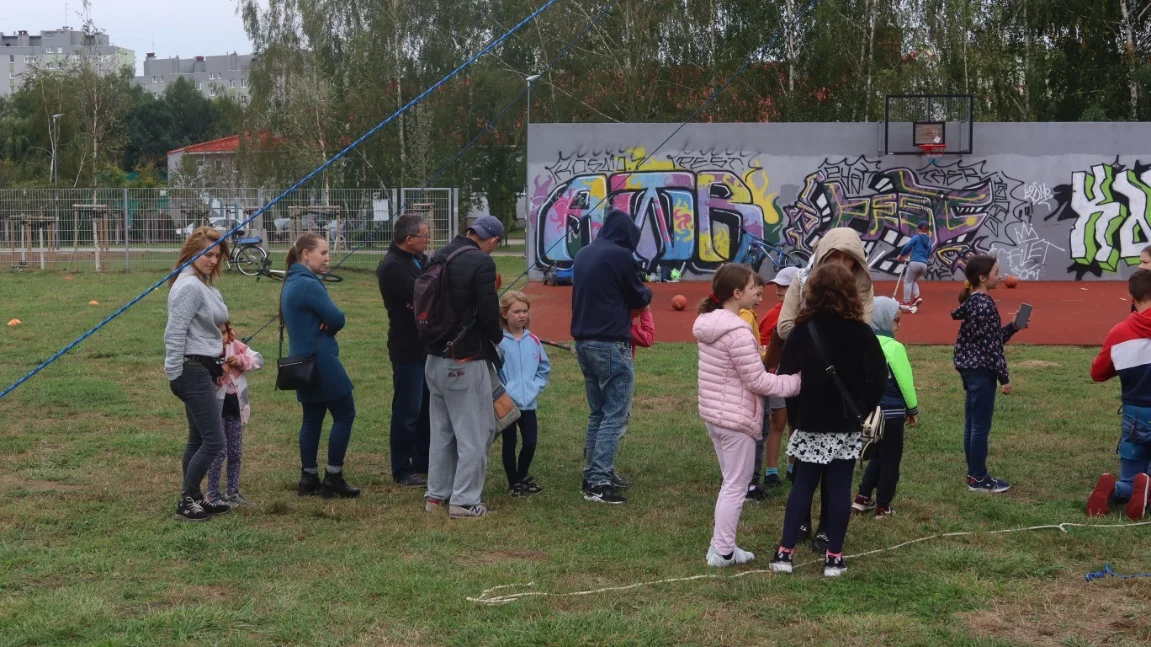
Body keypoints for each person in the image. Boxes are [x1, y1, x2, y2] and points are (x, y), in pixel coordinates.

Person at [769, 263, 887, 577]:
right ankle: (834, 557)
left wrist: (797, 417)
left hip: (810, 419)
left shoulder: (801, 330)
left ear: (811, 293)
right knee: (839, 487)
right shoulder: (861, 331)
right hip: (846, 422)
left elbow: (786, 378)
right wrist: (863, 408)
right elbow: (878, 377)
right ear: (850, 293)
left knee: (802, 486)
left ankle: (784, 553)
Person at [695, 264, 801, 567]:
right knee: (736, 486)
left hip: (717, 416)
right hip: (734, 418)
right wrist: (796, 382)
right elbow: (757, 381)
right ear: (736, 293)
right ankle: (723, 552)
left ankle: (723, 545)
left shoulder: (712, 322)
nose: (759, 294)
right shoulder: (737, 330)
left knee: (731, 482)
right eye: (754, 288)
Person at [424, 215, 504, 519]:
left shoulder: (439, 255)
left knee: (441, 433)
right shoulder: (482, 262)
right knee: (475, 434)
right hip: (465, 360)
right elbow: (488, 313)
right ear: (493, 240)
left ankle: (436, 497)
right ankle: (465, 502)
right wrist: (498, 339)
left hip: (433, 359)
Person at [571, 208, 653, 505]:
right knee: (615, 414)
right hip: (610, 342)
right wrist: (646, 292)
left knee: (597, 411)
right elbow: (637, 295)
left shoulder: (584, 253)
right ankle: (598, 482)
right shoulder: (620, 256)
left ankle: (593, 470)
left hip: (584, 341)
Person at [281, 233, 360, 499]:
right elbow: (336, 317)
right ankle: (334, 477)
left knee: (312, 419)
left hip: (301, 363)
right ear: (306, 255)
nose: (328, 258)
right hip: (321, 359)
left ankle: (309, 476)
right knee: (345, 413)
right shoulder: (308, 283)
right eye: (323, 253)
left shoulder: (291, 280)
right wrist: (333, 322)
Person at [164, 226, 234, 521]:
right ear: (193, 251)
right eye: (207, 253)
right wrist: (174, 372)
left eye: (217, 255)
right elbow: (175, 331)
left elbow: (209, 321)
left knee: (197, 439)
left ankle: (194, 498)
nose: (212, 260)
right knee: (214, 441)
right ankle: (186, 500)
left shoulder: (203, 284)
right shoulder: (190, 286)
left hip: (203, 367)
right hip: (190, 370)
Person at [952, 254, 1027, 494]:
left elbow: (993, 339)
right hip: (981, 372)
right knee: (980, 426)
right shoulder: (984, 305)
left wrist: (1014, 327)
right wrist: (1004, 378)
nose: (1001, 276)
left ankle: (974, 474)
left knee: (972, 424)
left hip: (970, 370)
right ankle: (978, 478)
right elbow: (992, 348)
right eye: (996, 273)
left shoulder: (975, 302)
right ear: (982, 278)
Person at [1089, 269, 1151, 521]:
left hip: (1135, 413)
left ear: (1130, 296)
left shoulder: (1119, 332)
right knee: (1144, 477)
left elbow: (1098, 373)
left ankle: (1118, 488)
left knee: (1130, 474)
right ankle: (1146, 486)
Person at [377, 214, 432, 487]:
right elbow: (423, 295)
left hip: (426, 347)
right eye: (424, 236)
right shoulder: (392, 266)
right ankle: (402, 468)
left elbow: (429, 291)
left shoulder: (419, 259)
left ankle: (423, 459)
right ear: (409, 239)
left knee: (426, 407)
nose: (428, 240)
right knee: (407, 409)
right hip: (407, 347)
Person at [853, 297, 919, 518]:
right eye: (896, 321)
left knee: (877, 454)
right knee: (891, 459)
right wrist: (912, 408)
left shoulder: (861, 344)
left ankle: (862, 497)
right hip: (892, 414)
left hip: (868, 413)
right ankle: (883, 505)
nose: (899, 325)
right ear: (884, 320)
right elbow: (905, 381)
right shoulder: (894, 347)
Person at [497, 291, 552, 497]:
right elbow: (493, 371)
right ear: (504, 314)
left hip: (528, 402)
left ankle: (522, 475)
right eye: (516, 311)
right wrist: (503, 391)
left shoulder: (534, 341)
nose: (522, 316)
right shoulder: (499, 342)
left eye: (525, 311)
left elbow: (543, 367)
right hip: (507, 403)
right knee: (509, 443)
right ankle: (514, 483)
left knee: (530, 442)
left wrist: (535, 386)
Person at [206, 321, 264, 507]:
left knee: (236, 452)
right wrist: (218, 372)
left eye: (223, 333)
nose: (221, 338)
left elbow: (258, 360)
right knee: (219, 451)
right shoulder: (206, 353)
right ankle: (212, 495)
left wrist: (241, 361)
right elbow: (205, 384)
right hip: (215, 409)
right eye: (216, 334)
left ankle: (232, 492)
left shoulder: (236, 346)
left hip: (235, 407)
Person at [757, 266, 800, 491]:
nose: (780, 290)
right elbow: (763, 344)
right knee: (778, 421)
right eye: (778, 286)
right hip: (776, 376)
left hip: (799, 376)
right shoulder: (774, 314)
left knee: (796, 422)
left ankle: (794, 466)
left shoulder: (804, 311)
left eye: (786, 286)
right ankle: (772, 471)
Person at [897, 221, 933, 310]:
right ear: (927, 230)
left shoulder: (916, 237)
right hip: (924, 264)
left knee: (908, 281)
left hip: (915, 262)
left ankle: (906, 302)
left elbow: (907, 247)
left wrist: (901, 255)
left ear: (919, 229)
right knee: (913, 281)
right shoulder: (929, 241)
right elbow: (928, 253)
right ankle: (917, 297)